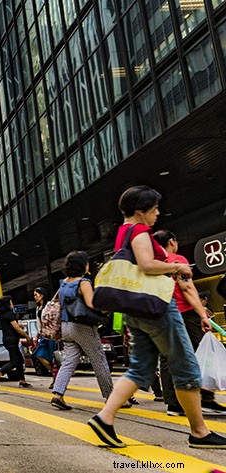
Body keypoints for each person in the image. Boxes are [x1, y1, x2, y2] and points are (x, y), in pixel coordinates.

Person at [87, 185, 226, 449]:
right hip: (158, 307)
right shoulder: (140, 231)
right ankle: (199, 432)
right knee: (186, 366)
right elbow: (146, 264)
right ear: (141, 211)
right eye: (154, 209)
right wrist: (177, 266)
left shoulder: (122, 233)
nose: (158, 214)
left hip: (136, 312)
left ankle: (105, 417)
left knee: (140, 369)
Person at [152, 230, 226, 416]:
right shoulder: (177, 261)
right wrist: (202, 314)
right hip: (184, 314)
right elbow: (187, 288)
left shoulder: (154, 264)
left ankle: (173, 404)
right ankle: (206, 398)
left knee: (168, 359)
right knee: (202, 352)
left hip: (161, 315)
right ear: (172, 241)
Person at [49, 251, 114, 410]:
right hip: (82, 326)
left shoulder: (63, 283)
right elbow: (92, 304)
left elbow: (54, 301)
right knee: (99, 359)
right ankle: (111, 398)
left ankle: (58, 394)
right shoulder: (83, 282)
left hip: (66, 327)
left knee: (69, 361)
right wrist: (107, 308)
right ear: (83, 265)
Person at [0, 295, 32, 389]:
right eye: (11, 302)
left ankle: (22, 380)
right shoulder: (9, 314)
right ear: (7, 304)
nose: (12, 304)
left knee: (19, 360)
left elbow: (12, 326)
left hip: (8, 340)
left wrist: (19, 325)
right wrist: (27, 336)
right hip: (11, 340)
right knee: (15, 361)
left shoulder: (3, 314)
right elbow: (16, 328)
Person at [32, 287, 55, 386]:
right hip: (43, 335)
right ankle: (55, 374)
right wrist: (37, 336)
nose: (35, 297)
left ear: (42, 295)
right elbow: (39, 324)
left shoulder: (50, 305)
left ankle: (56, 379)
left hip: (52, 335)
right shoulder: (38, 308)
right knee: (38, 354)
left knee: (54, 357)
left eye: (36, 295)